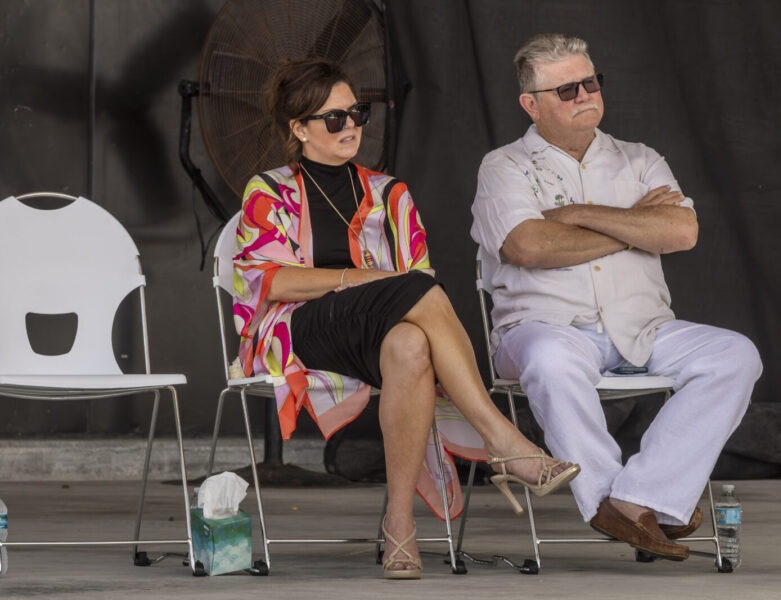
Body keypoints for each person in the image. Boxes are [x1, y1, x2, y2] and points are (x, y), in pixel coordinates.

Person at [232, 57, 579, 580]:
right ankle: (502, 439)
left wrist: (382, 287)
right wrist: (359, 279)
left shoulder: (389, 193)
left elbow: (414, 290)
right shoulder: (269, 191)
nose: (350, 126)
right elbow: (270, 281)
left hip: (376, 334)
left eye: (356, 113)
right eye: (333, 119)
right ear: (299, 129)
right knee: (418, 288)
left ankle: (399, 525)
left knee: (412, 345)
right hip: (298, 331)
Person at [471, 33, 762, 561]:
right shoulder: (505, 166)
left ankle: (634, 500)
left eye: (590, 82)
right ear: (531, 105)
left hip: (642, 327)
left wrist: (579, 213)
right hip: (542, 327)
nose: (585, 95)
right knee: (552, 360)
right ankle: (620, 501)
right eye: (566, 90)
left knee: (735, 354)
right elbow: (529, 245)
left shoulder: (640, 159)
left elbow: (682, 233)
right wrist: (636, 224)